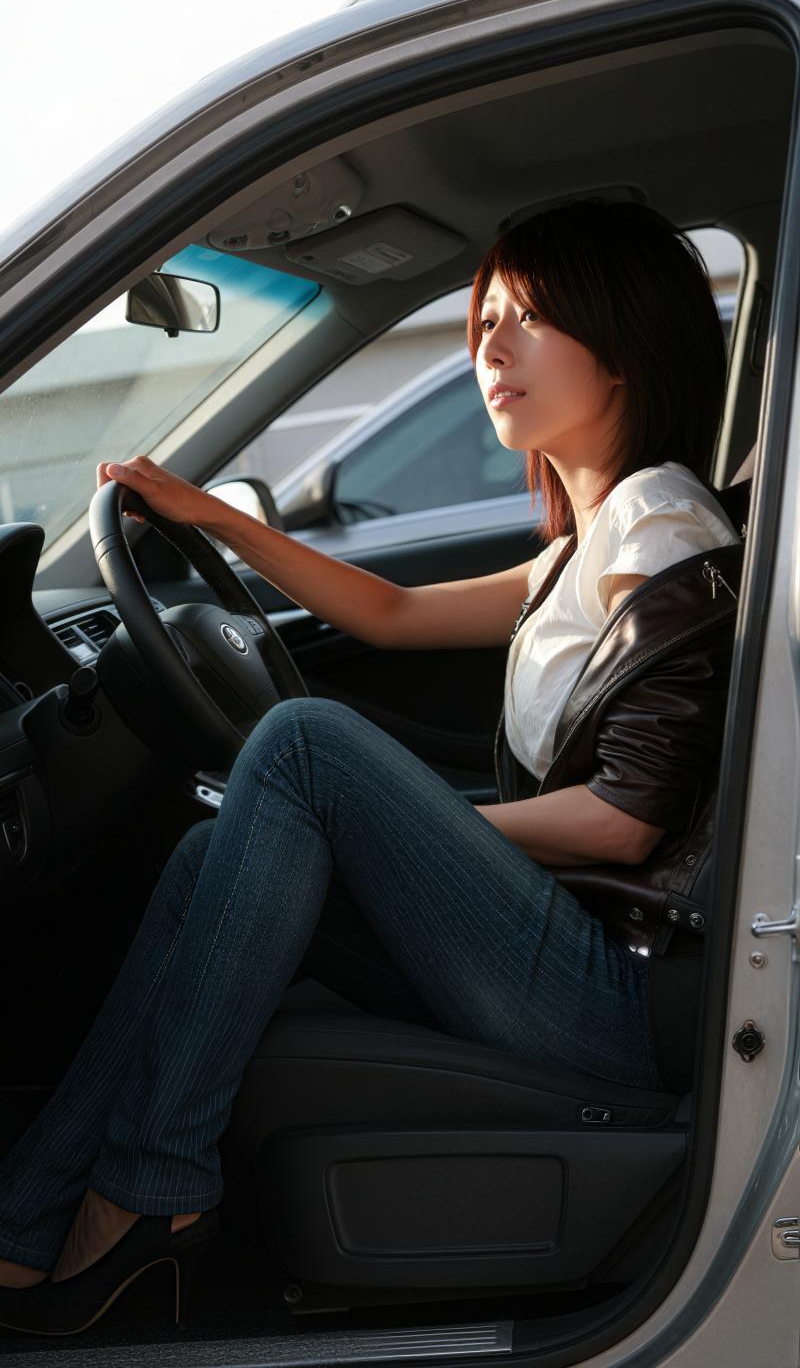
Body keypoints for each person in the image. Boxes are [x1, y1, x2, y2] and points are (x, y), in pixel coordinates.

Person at [0, 197, 743, 1336]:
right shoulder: (584, 547)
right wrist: (211, 516)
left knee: (302, 748)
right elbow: (388, 614)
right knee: (212, 851)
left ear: (624, 341)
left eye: (528, 319)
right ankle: (30, 1222)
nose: (488, 348)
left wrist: (397, 834)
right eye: (484, 318)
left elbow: (623, 825)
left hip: (618, 987)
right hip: (577, 937)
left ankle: (152, 1197)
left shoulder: (662, 529)